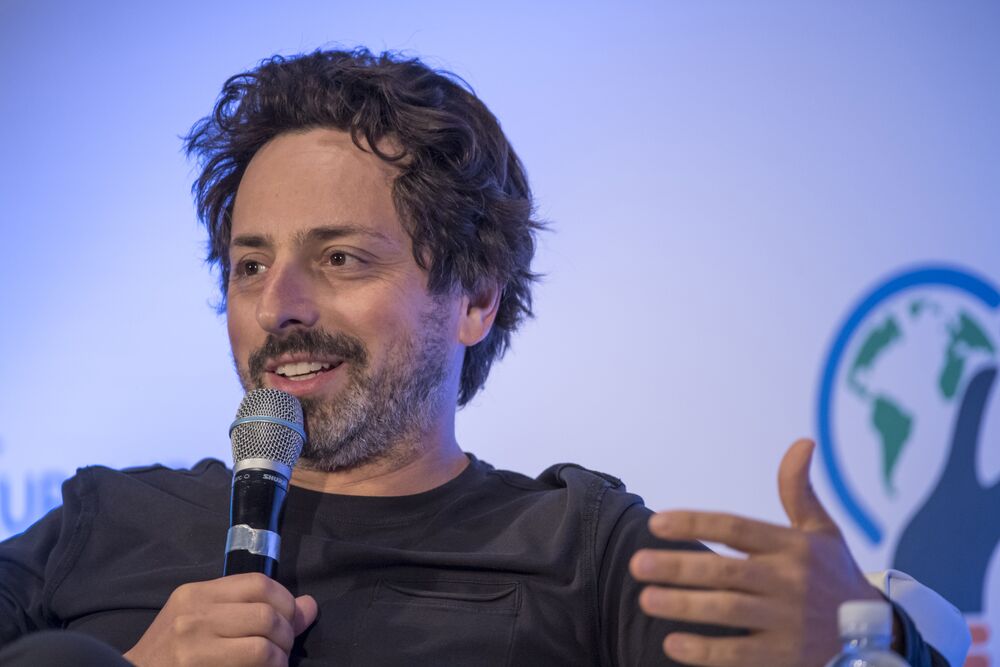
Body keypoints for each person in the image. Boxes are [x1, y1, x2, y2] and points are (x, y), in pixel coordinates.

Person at [0, 48, 964, 666]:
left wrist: (867, 635)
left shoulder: (582, 551)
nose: (277, 304)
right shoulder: (102, 521)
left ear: (474, 299)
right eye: (250, 264)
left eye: (340, 258)